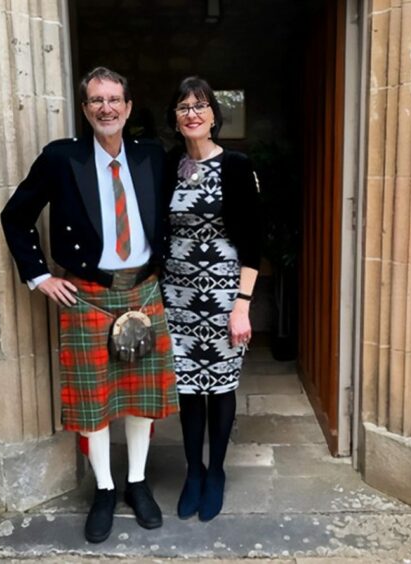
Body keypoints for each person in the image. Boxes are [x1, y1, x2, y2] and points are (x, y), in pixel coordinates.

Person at [0, 67, 179, 543]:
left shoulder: (151, 156)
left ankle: (137, 482)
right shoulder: (62, 158)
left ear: (128, 106)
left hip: (142, 289)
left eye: (114, 99)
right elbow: (15, 216)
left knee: (141, 399)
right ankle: (103, 488)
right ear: (85, 109)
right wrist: (40, 277)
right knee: (94, 399)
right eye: (96, 100)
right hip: (88, 294)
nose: (106, 108)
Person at [161, 76, 261, 522]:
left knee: (220, 387)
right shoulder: (168, 166)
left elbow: (254, 241)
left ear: (214, 116)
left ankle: (216, 471)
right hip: (176, 297)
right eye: (184, 107)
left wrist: (242, 304)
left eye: (200, 106)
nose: (192, 113)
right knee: (187, 387)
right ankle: (194, 472)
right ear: (176, 119)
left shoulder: (236, 166)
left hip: (223, 296)